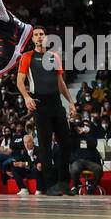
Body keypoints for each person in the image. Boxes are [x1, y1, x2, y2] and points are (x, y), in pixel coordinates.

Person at [16, 26, 77, 195]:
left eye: (41, 34)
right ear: (32, 39)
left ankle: (64, 182)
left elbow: (60, 82)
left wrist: (71, 102)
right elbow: (20, 82)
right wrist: (27, 97)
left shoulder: (54, 56)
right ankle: (50, 185)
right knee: (45, 146)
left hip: (56, 103)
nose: (39, 37)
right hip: (39, 103)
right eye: (36, 35)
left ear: (46, 37)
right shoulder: (27, 57)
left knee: (65, 142)